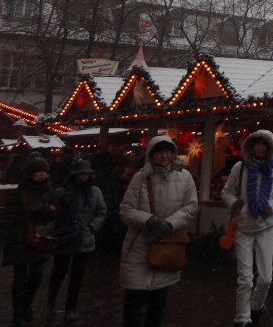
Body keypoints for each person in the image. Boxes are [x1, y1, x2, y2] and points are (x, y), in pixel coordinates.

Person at [119, 136, 198, 327]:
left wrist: (170, 224)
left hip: (167, 246)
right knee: (134, 301)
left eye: (167, 152)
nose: (164, 156)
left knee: (158, 302)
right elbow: (125, 209)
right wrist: (149, 221)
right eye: (159, 152)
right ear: (151, 155)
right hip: (139, 246)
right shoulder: (140, 178)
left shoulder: (184, 177)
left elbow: (191, 206)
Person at [221, 129, 273, 327]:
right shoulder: (240, 167)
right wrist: (236, 204)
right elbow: (226, 193)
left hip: (266, 228)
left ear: (269, 147)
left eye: (264, 144)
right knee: (245, 278)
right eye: (257, 144)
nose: (260, 147)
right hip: (244, 228)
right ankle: (242, 318)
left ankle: (255, 306)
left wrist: (272, 206)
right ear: (251, 146)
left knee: (266, 278)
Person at [0, 152, 59, 327]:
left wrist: (44, 211)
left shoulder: (50, 192)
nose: (42, 174)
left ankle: (26, 304)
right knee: (20, 278)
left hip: (40, 239)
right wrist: (3, 237)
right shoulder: (20, 193)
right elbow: (8, 215)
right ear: (31, 172)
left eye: (44, 171)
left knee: (36, 276)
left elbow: (55, 213)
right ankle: (18, 312)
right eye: (38, 171)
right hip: (19, 239)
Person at [47, 157, 107, 321]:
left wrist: (92, 227)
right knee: (59, 272)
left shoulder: (95, 192)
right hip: (65, 238)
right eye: (80, 174)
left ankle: (71, 306)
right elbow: (53, 214)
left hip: (84, 239)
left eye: (85, 174)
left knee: (77, 276)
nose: (83, 177)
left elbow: (101, 212)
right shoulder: (62, 192)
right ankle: (51, 301)